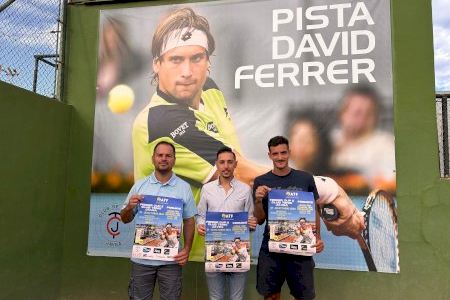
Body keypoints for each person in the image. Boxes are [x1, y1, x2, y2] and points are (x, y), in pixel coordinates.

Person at [120, 141, 197, 300]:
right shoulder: (140, 185)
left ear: (174, 160)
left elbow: (189, 221)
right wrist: (128, 207)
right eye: (160, 155)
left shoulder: (184, 188)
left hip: (171, 261)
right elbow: (125, 219)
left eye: (168, 155)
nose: (164, 158)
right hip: (142, 259)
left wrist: (187, 249)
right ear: (153, 158)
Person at [253, 136, 324, 300]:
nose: (280, 157)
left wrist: (317, 238)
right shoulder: (260, 181)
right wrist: (257, 200)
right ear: (269, 155)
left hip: (300, 249)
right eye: (275, 153)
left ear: (289, 153)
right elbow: (260, 219)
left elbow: (314, 210)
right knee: (270, 295)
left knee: (304, 296)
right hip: (271, 250)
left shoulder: (305, 178)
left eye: (283, 153)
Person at [196, 146, 257, 300]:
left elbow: (250, 218)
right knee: (215, 297)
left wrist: (251, 223)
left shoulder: (245, 190)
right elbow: (201, 215)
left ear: (235, 164)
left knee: (237, 298)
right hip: (214, 251)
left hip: (239, 253)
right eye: (222, 162)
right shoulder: (207, 189)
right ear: (216, 164)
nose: (226, 166)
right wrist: (200, 225)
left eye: (230, 162)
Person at [331, 84, 396, 192]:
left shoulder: (386, 144)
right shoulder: (328, 141)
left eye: (368, 114)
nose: (362, 120)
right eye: (357, 113)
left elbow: (389, 185)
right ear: (342, 113)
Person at [287, 110, 332, 175]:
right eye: (295, 136)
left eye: (305, 140)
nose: (300, 145)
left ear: (318, 145)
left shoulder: (325, 180)